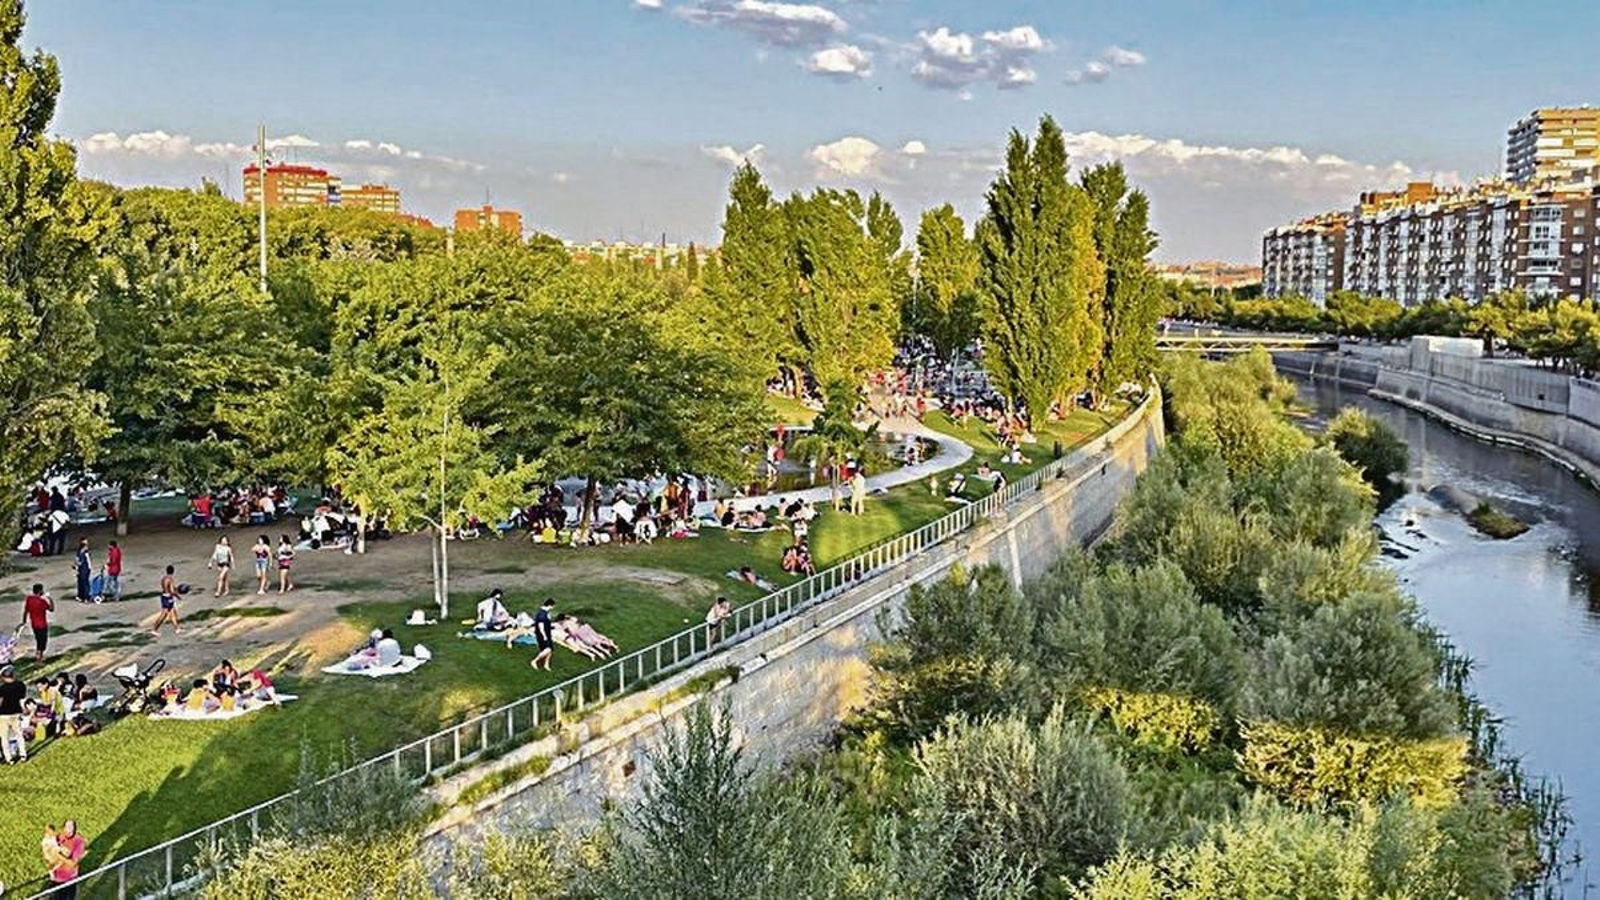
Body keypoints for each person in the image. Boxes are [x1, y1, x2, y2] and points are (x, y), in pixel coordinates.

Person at [44, 820, 87, 898]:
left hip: (69, 879)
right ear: (63, 828)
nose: (69, 829)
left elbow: (73, 864)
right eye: (67, 827)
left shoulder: (79, 841)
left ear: (75, 829)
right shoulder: (58, 837)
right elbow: (48, 854)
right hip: (56, 878)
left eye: (71, 827)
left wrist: (58, 855)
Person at [0, 665, 26, 764]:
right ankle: (23, 754)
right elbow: (22, 699)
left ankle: (9, 758)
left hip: (4, 715)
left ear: (3, 677)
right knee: (19, 734)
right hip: (16, 712)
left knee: (4, 737)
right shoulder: (20, 685)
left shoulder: (2, 688)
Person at [22, 584, 53, 663]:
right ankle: (39, 658)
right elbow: (51, 609)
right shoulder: (42, 601)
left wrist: (24, 621)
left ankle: (39, 656)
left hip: (34, 624)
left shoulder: (29, 599)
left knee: (38, 640)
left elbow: (26, 611)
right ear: (40, 591)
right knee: (42, 642)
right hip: (42, 625)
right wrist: (50, 599)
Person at [152, 565, 181, 636]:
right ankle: (154, 629)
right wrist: (177, 596)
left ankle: (177, 629)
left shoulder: (164, 579)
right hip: (168, 598)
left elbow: (166, 588)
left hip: (164, 596)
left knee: (172, 612)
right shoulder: (170, 579)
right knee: (164, 615)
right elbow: (172, 591)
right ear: (173, 571)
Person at [530, 598, 555, 671]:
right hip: (542, 634)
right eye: (552, 606)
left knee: (550, 649)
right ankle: (534, 661)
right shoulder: (542, 614)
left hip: (547, 634)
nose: (552, 608)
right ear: (550, 605)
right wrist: (544, 636)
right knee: (547, 649)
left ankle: (546, 664)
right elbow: (540, 626)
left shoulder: (545, 613)